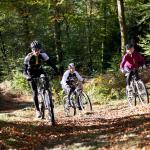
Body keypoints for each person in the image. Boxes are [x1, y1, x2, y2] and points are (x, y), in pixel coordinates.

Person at [23, 40, 58, 118]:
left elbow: (50, 63)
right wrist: (27, 77)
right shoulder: (28, 57)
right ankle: (37, 110)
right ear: (32, 50)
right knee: (35, 92)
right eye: (35, 50)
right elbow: (24, 70)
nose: (37, 51)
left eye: (38, 50)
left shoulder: (43, 55)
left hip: (39, 71)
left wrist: (56, 70)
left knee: (46, 80)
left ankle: (48, 98)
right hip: (31, 73)